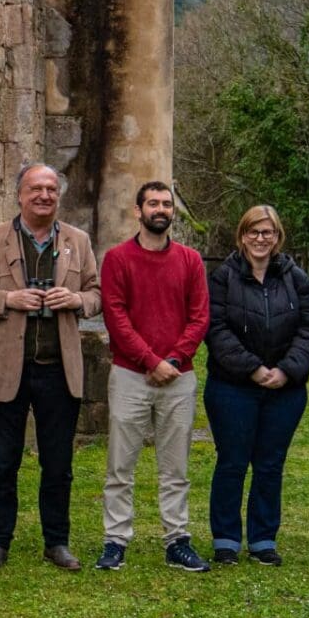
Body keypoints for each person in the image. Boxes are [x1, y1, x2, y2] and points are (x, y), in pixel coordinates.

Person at [0, 164, 100, 571]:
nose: (44, 195)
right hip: (7, 366)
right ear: (19, 195)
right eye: (35, 189)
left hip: (58, 368)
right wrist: (7, 300)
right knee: (2, 462)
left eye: (50, 189)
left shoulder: (77, 241)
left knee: (58, 463)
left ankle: (56, 541)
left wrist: (77, 301)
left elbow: (97, 294)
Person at [97, 181, 212, 572]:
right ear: (138, 211)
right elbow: (115, 316)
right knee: (120, 465)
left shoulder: (190, 260)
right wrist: (150, 360)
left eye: (166, 203)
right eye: (153, 203)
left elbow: (200, 317)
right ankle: (115, 540)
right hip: (130, 374)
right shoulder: (117, 259)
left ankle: (177, 539)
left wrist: (175, 360)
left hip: (178, 377)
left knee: (175, 465)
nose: (160, 209)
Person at [202, 206, 309, 566]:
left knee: (270, 464)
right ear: (242, 236)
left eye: (267, 232)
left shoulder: (295, 277)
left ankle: (262, 538)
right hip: (232, 387)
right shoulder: (223, 277)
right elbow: (216, 329)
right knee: (232, 462)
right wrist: (253, 369)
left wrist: (286, 370)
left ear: (277, 237)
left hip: (284, 390)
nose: (260, 238)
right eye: (253, 232)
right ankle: (225, 539)